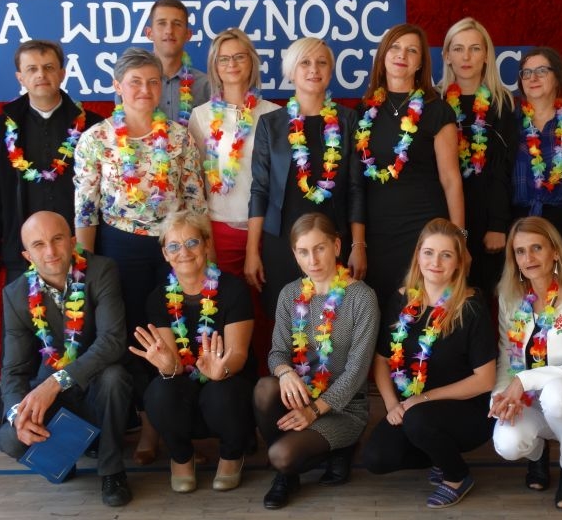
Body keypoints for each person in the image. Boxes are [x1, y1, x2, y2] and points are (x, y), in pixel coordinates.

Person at [73, 47, 206, 465]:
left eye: (152, 81)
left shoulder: (180, 137)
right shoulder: (96, 139)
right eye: (135, 82)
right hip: (119, 248)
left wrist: (205, 259)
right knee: (134, 335)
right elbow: (86, 209)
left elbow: (195, 202)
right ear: (117, 86)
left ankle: (175, 426)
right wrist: (84, 268)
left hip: (175, 247)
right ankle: (146, 426)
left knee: (178, 330)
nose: (145, 90)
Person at [0, 211, 132, 506]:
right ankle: (64, 454)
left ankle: (112, 471)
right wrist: (17, 415)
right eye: (38, 244)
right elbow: (14, 370)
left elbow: (112, 341)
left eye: (57, 239)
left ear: (73, 241)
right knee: (10, 438)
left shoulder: (101, 270)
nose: (50, 251)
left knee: (115, 377)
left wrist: (56, 382)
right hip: (55, 394)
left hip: (98, 383)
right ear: (27, 255)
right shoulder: (16, 294)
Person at [362, 218, 496, 509]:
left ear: (458, 262)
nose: (435, 262)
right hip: (413, 408)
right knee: (376, 458)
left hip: (466, 410)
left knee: (418, 419)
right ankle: (439, 454)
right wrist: (392, 405)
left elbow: (485, 380)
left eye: (446, 255)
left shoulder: (471, 307)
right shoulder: (401, 300)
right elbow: (382, 360)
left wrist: (422, 400)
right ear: (418, 255)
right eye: (429, 253)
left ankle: (457, 476)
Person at [252, 213, 378, 509]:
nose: (313, 260)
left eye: (320, 248)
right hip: (302, 395)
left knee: (280, 456)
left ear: (336, 246)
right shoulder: (290, 294)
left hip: (345, 407)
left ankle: (338, 449)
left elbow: (357, 372)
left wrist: (314, 411)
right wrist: (285, 373)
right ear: (294, 254)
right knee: (265, 388)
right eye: (303, 251)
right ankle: (289, 475)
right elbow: (277, 353)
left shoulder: (362, 298)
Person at [129, 210, 256, 493]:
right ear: (165, 254)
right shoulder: (158, 298)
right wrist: (167, 366)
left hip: (226, 388)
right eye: (174, 246)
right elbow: (174, 365)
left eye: (192, 243)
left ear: (207, 244)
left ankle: (231, 456)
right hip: (184, 390)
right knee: (159, 391)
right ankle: (181, 458)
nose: (183, 252)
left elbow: (238, 355)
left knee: (223, 391)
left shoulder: (233, 289)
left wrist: (221, 369)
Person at [490, 216, 562, 511]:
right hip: (532, 405)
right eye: (520, 251)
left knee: (557, 392)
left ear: (555, 251)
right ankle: (537, 454)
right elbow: (507, 358)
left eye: (537, 248)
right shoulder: (510, 297)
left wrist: (523, 381)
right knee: (506, 444)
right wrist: (502, 396)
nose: (528, 258)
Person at [245, 37, 365, 328]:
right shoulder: (271, 124)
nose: (314, 69)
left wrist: (358, 244)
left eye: (322, 62)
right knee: (287, 327)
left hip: (333, 242)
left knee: (332, 326)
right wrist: (251, 252)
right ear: (291, 71)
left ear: (330, 71)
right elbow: (260, 190)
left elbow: (356, 189)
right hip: (281, 244)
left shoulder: (348, 120)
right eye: (305, 63)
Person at [188, 28, 279, 370]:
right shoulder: (201, 116)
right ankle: (228, 375)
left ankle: (268, 378)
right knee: (225, 308)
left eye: (239, 56)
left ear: (251, 62)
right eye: (224, 58)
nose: (232, 64)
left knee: (265, 309)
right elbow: (195, 183)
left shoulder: (273, 113)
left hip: (265, 230)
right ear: (214, 66)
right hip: (219, 229)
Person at [357, 24, 466, 306]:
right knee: (380, 311)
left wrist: (459, 239)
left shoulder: (437, 110)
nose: (401, 55)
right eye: (395, 47)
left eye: (411, 50)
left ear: (420, 63)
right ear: (383, 55)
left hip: (423, 232)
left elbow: (451, 180)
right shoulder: (363, 111)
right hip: (377, 233)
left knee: (418, 311)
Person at [0, 40, 101, 283]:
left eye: (48, 67)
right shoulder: (2, 129)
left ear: (62, 73)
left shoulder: (93, 127)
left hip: (81, 250)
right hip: (21, 254)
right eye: (32, 69)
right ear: (20, 77)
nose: (41, 75)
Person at [439, 17, 517, 302]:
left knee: (481, 301)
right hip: (442, 216)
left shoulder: (502, 102)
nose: (466, 57)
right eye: (458, 49)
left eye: (474, 49)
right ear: (447, 56)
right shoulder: (434, 102)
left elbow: (503, 168)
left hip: (486, 218)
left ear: (486, 55)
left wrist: (498, 224)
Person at [511, 47, 562, 259]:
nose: (533, 78)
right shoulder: (509, 123)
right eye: (526, 73)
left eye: (542, 71)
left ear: (557, 77)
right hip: (519, 225)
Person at [145, 0, 211, 126]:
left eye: (177, 24)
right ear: (149, 33)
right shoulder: (132, 85)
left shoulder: (206, 86)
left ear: (188, 34)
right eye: (162, 23)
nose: (169, 30)